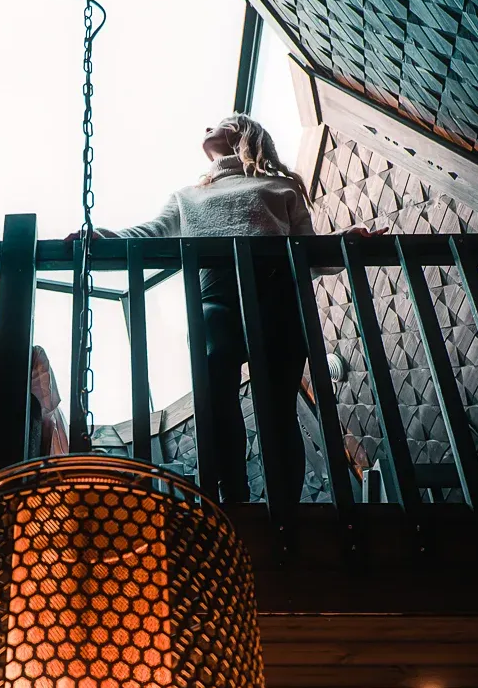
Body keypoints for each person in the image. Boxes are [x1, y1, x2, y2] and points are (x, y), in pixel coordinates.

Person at [80, 113, 314, 505]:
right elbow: (151, 232)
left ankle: (286, 509)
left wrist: (350, 241)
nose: (209, 126)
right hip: (215, 294)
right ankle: (234, 501)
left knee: (277, 408)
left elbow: (315, 253)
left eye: (222, 121)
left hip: (277, 296)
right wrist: (105, 236)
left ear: (243, 132)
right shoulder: (187, 196)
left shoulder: (280, 186)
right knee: (215, 399)